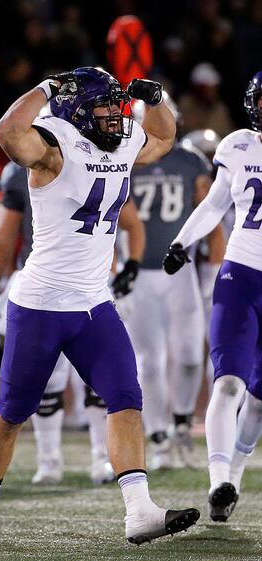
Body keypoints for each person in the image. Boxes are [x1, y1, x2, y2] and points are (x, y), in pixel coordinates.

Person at [0, 67, 199, 544]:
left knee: (126, 398)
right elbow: (8, 132)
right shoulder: (53, 146)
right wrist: (45, 88)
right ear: (76, 110)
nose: (115, 118)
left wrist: (154, 98)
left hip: (94, 303)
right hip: (41, 303)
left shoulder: (120, 142)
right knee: (13, 413)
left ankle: (139, 512)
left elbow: (163, 137)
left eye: (117, 109)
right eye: (104, 107)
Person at [0, 159, 146, 486]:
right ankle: (49, 460)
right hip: (44, 289)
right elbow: (7, 228)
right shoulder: (23, 169)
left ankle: (103, 459)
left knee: (111, 385)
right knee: (40, 389)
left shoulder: (107, 159)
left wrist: (131, 265)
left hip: (94, 285)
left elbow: (131, 222)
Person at [163, 70, 262, 522]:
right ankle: (219, 479)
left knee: (258, 400)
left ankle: (233, 477)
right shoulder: (239, 144)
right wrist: (183, 242)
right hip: (240, 274)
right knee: (227, 382)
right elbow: (216, 204)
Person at [126, 96, 224, 470]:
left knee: (186, 355)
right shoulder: (124, 161)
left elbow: (210, 217)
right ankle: (159, 435)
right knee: (149, 361)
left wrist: (212, 272)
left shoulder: (189, 161)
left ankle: (182, 422)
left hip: (179, 271)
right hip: (141, 273)